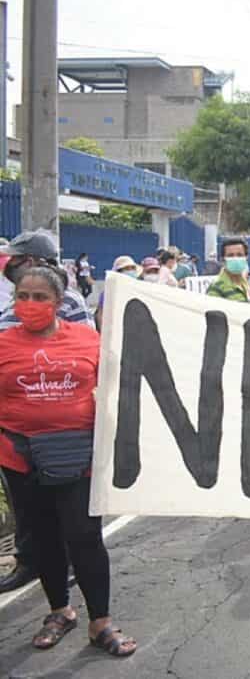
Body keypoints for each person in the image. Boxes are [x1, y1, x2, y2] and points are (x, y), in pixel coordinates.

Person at [0, 266, 137, 656]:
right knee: (43, 538)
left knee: (84, 536)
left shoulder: (88, 339)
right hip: (19, 458)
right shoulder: (3, 343)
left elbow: (116, 386)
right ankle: (60, 611)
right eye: (22, 296)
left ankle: (101, 623)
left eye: (40, 297)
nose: (30, 304)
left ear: (59, 302)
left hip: (79, 458)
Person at [0, 231, 97, 594]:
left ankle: (69, 566)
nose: (8, 264)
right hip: (16, 431)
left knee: (70, 510)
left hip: (63, 432)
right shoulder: (13, 303)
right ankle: (33, 562)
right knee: (28, 508)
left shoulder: (68, 302)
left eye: (14, 258)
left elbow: (86, 359)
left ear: (31, 260)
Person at [0, 230, 94, 331]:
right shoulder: (17, 299)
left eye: (13, 259)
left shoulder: (70, 301)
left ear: (30, 262)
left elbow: (86, 338)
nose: (9, 264)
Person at [95, 255, 140, 332]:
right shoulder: (109, 291)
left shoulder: (139, 290)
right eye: (127, 269)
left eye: (132, 268)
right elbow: (101, 314)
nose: (130, 271)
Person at [206, 237, 250, 303]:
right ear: (223, 260)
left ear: (246, 257)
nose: (235, 259)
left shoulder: (244, 284)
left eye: (239, 255)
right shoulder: (216, 288)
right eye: (230, 255)